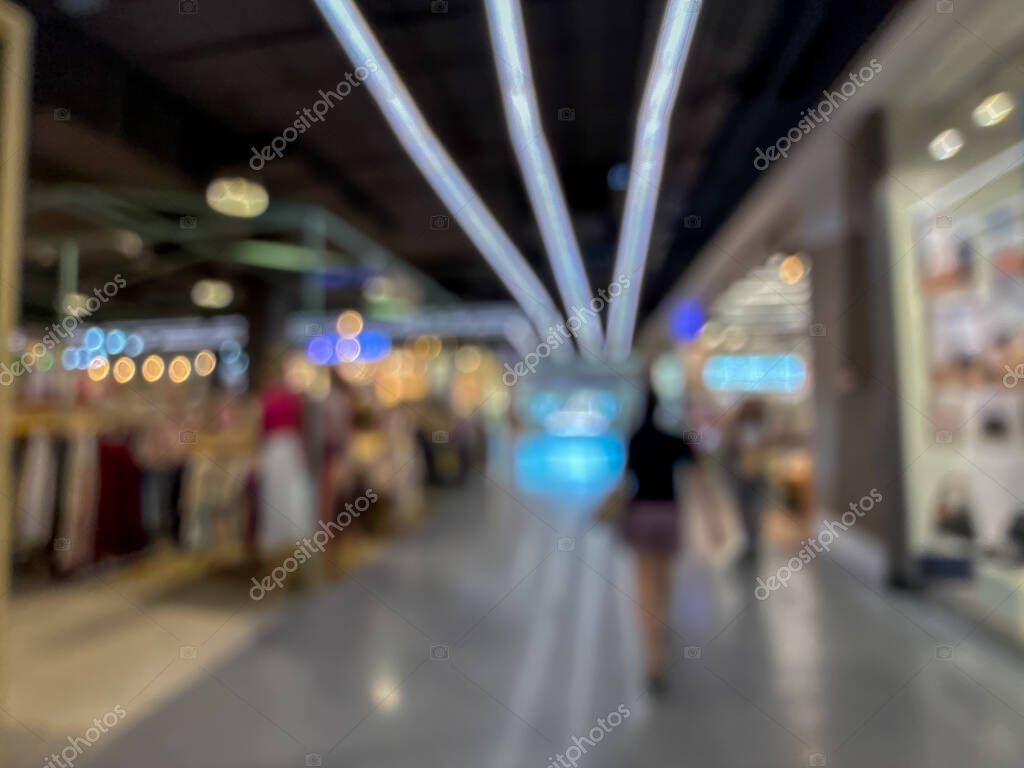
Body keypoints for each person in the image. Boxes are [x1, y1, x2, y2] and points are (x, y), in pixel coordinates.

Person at [620, 386, 705, 696]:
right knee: (664, 579)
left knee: (644, 583)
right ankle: (662, 633)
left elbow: (625, 478)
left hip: (641, 513)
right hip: (668, 513)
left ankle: (651, 656)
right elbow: (696, 461)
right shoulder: (672, 439)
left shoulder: (635, 440)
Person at [723, 399, 769, 564]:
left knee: (751, 514)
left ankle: (752, 546)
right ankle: (751, 545)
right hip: (745, 478)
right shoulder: (741, 431)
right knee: (748, 514)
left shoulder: (759, 430)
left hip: (754, 478)